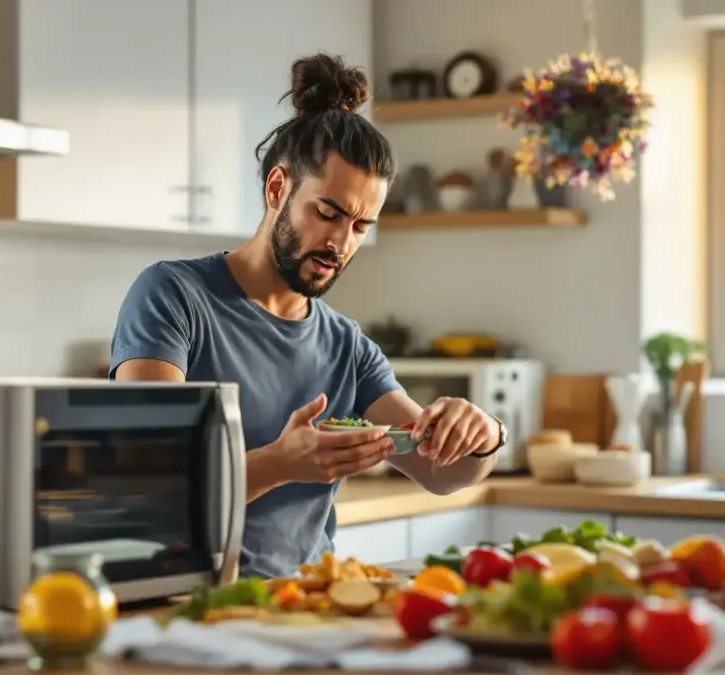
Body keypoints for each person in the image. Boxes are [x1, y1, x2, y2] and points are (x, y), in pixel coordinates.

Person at [110, 53, 505, 578]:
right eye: (328, 213)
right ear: (278, 189)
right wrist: (279, 464)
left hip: (307, 607)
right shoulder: (173, 297)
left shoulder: (348, 347)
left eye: (362, 226)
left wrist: (484, 433)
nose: (341, 243)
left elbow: (442, 474)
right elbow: (148, 489)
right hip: (187, 602)